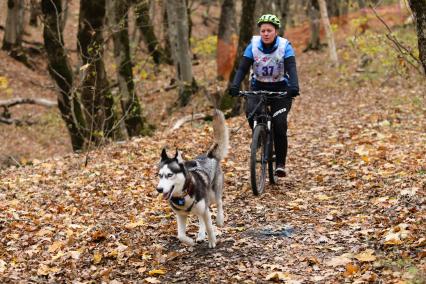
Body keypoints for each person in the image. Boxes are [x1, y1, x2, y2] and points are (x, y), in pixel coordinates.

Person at [229, 14, 300, 177]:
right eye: (263, 31)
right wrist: (234, 85)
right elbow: (242, 68)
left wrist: (294, 87)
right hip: (258, 89)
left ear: (276, 31)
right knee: (251, 113)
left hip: (281, 91)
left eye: (269, 30)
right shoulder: (253, 46)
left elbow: (291, 68)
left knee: (280, 124)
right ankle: (260, 138)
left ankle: (280, 163)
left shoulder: (284, 46)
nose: (266, 33)